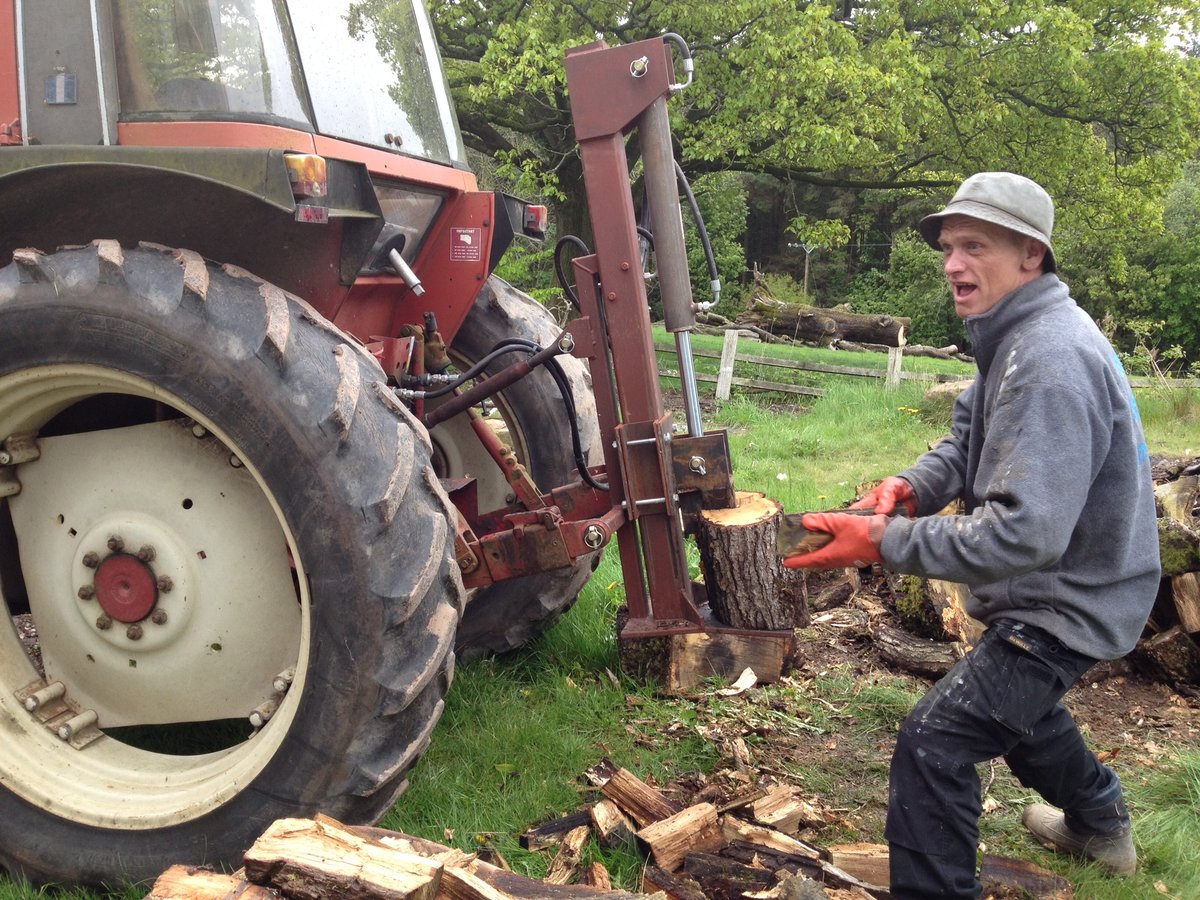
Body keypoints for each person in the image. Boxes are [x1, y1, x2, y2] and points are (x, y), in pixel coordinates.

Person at [782, 172, 1161, 899]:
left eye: (974, 246)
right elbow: (968, 442)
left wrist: (883, 544)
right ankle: (1101, 822)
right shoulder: (1014, 334)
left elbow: (1025, 536)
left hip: (1071, 598)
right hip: (1059, 585)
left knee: (937, 743)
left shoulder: (1050, 358)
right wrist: (912, 488)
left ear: (1031, 254)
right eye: (949, 247)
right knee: (1017, 708)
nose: (953, 264)